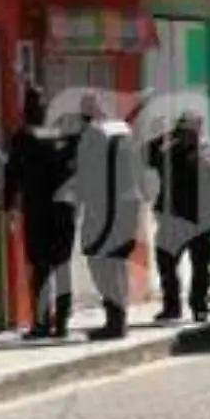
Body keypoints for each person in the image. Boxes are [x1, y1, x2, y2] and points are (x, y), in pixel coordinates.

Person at [146, 110, 210, 323]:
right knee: (166, 263)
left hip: (203, 220)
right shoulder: (167, 151)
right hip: (172, 219)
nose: (189, 135)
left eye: (192, 130)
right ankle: (171, 307)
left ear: (200, 129)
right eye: (184, 131)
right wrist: (166, 136)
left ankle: (199, 306)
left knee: (201, 267)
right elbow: (143, 155)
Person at [3, 83, 77, 340]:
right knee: (63, 267)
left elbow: (12, 174)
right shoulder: (63, 134)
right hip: (66, 210)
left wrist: (8, 206)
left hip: (39, 211)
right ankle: (63, 323)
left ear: (26, 110)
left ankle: (43, 322)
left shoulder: (23, 137)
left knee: (41, 269)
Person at [72, 92, 145, 341]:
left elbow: (88, 173)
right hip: (129, 203)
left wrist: (82, 204)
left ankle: (115, 321)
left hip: (106, 206)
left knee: (99, 260)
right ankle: (119, 318)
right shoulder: (123, 129)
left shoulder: (93, 134)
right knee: (116, 260)